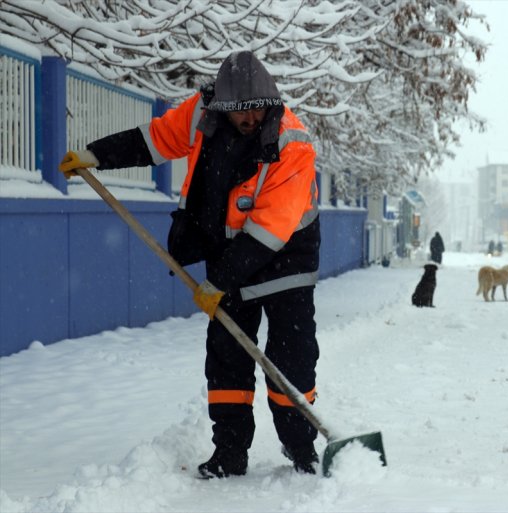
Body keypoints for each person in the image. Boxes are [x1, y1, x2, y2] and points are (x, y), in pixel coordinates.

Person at [58, 51, 321, 478]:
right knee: (226, 355)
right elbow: (154, 140)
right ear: (222, 106)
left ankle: (301, 449)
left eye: (257, 108)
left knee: (291, 357)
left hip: (285, 255)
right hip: (229, 252)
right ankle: (230, 453)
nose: (251, 117)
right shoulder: (202, 113)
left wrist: (218, 281)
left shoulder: (292, 143)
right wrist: (96, 155)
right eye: (241, 111)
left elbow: (270, 229)